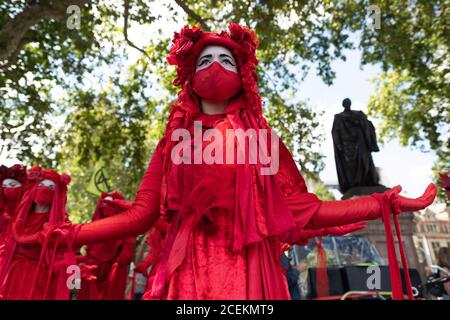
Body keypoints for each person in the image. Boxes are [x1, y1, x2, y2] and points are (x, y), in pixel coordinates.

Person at [50, 23, 436, 300]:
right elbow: (140, 215)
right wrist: (69, 233)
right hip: (186, 273)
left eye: (225, 60)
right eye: (204, 60)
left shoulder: (262, 140)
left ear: (242, 75)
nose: (214, 66)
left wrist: (385, 203)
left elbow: (306, 209)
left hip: (250, 271)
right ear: (189, 77)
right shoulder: (170, 142)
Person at [0, 166, 75, 300]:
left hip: (39, 276)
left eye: (51, 188)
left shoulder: (61, 223)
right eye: (41, 185)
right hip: (14, 273)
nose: (45, 190)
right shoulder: (19, 217)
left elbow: (66, 254)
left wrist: (75, 285)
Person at [77, 192, 135, 300]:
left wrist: (125, 251)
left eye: (109, 202)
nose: (105, 206)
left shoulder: (125, 225)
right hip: (92, 268)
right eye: (104, 202)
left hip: (111, 268)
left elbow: (128, 246)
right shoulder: (94, 224)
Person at [0, 164, 27, 250]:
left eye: (12, 185)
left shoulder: (32, 208)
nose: (7, 189)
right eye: (4, 186)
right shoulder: (2, 209)